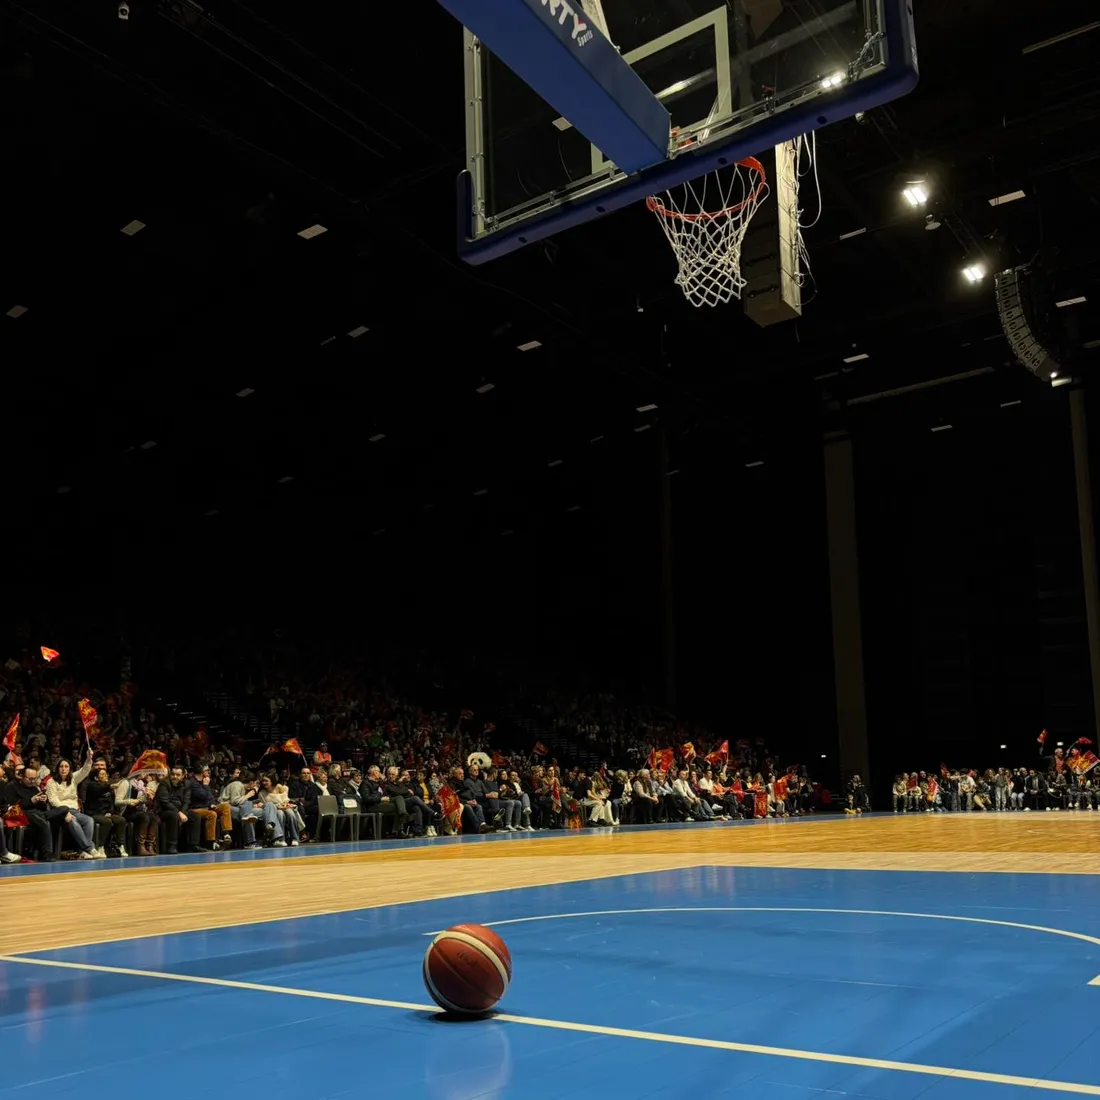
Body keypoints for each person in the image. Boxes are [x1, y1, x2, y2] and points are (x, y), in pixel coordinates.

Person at [45, 750, 101, 859]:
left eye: (66, 766)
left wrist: (89, 758)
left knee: (89, 820)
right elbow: (52, 800)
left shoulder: (73, 778)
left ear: (70, 769)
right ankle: (89, 848)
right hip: (60, 812)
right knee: (73, 820)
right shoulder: (51, 782)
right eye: (61, 766)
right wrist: (65, 812)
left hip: (74, 810)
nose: (64, 769)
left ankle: (83, 851)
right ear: (57, 768)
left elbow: (84, 771)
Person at [84, 763, 129, 856]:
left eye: (105, 774)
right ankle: (100, 847)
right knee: (106, 822)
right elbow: (99, 790)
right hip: (94, 813)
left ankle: (121, 846)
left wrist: (110, 812)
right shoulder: (92, 785)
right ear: (96, 778)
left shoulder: (108, 787)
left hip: (106, 813)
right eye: (102, 774)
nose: (105, 776)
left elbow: (111, 803)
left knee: (121, 820)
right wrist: (110, 787)